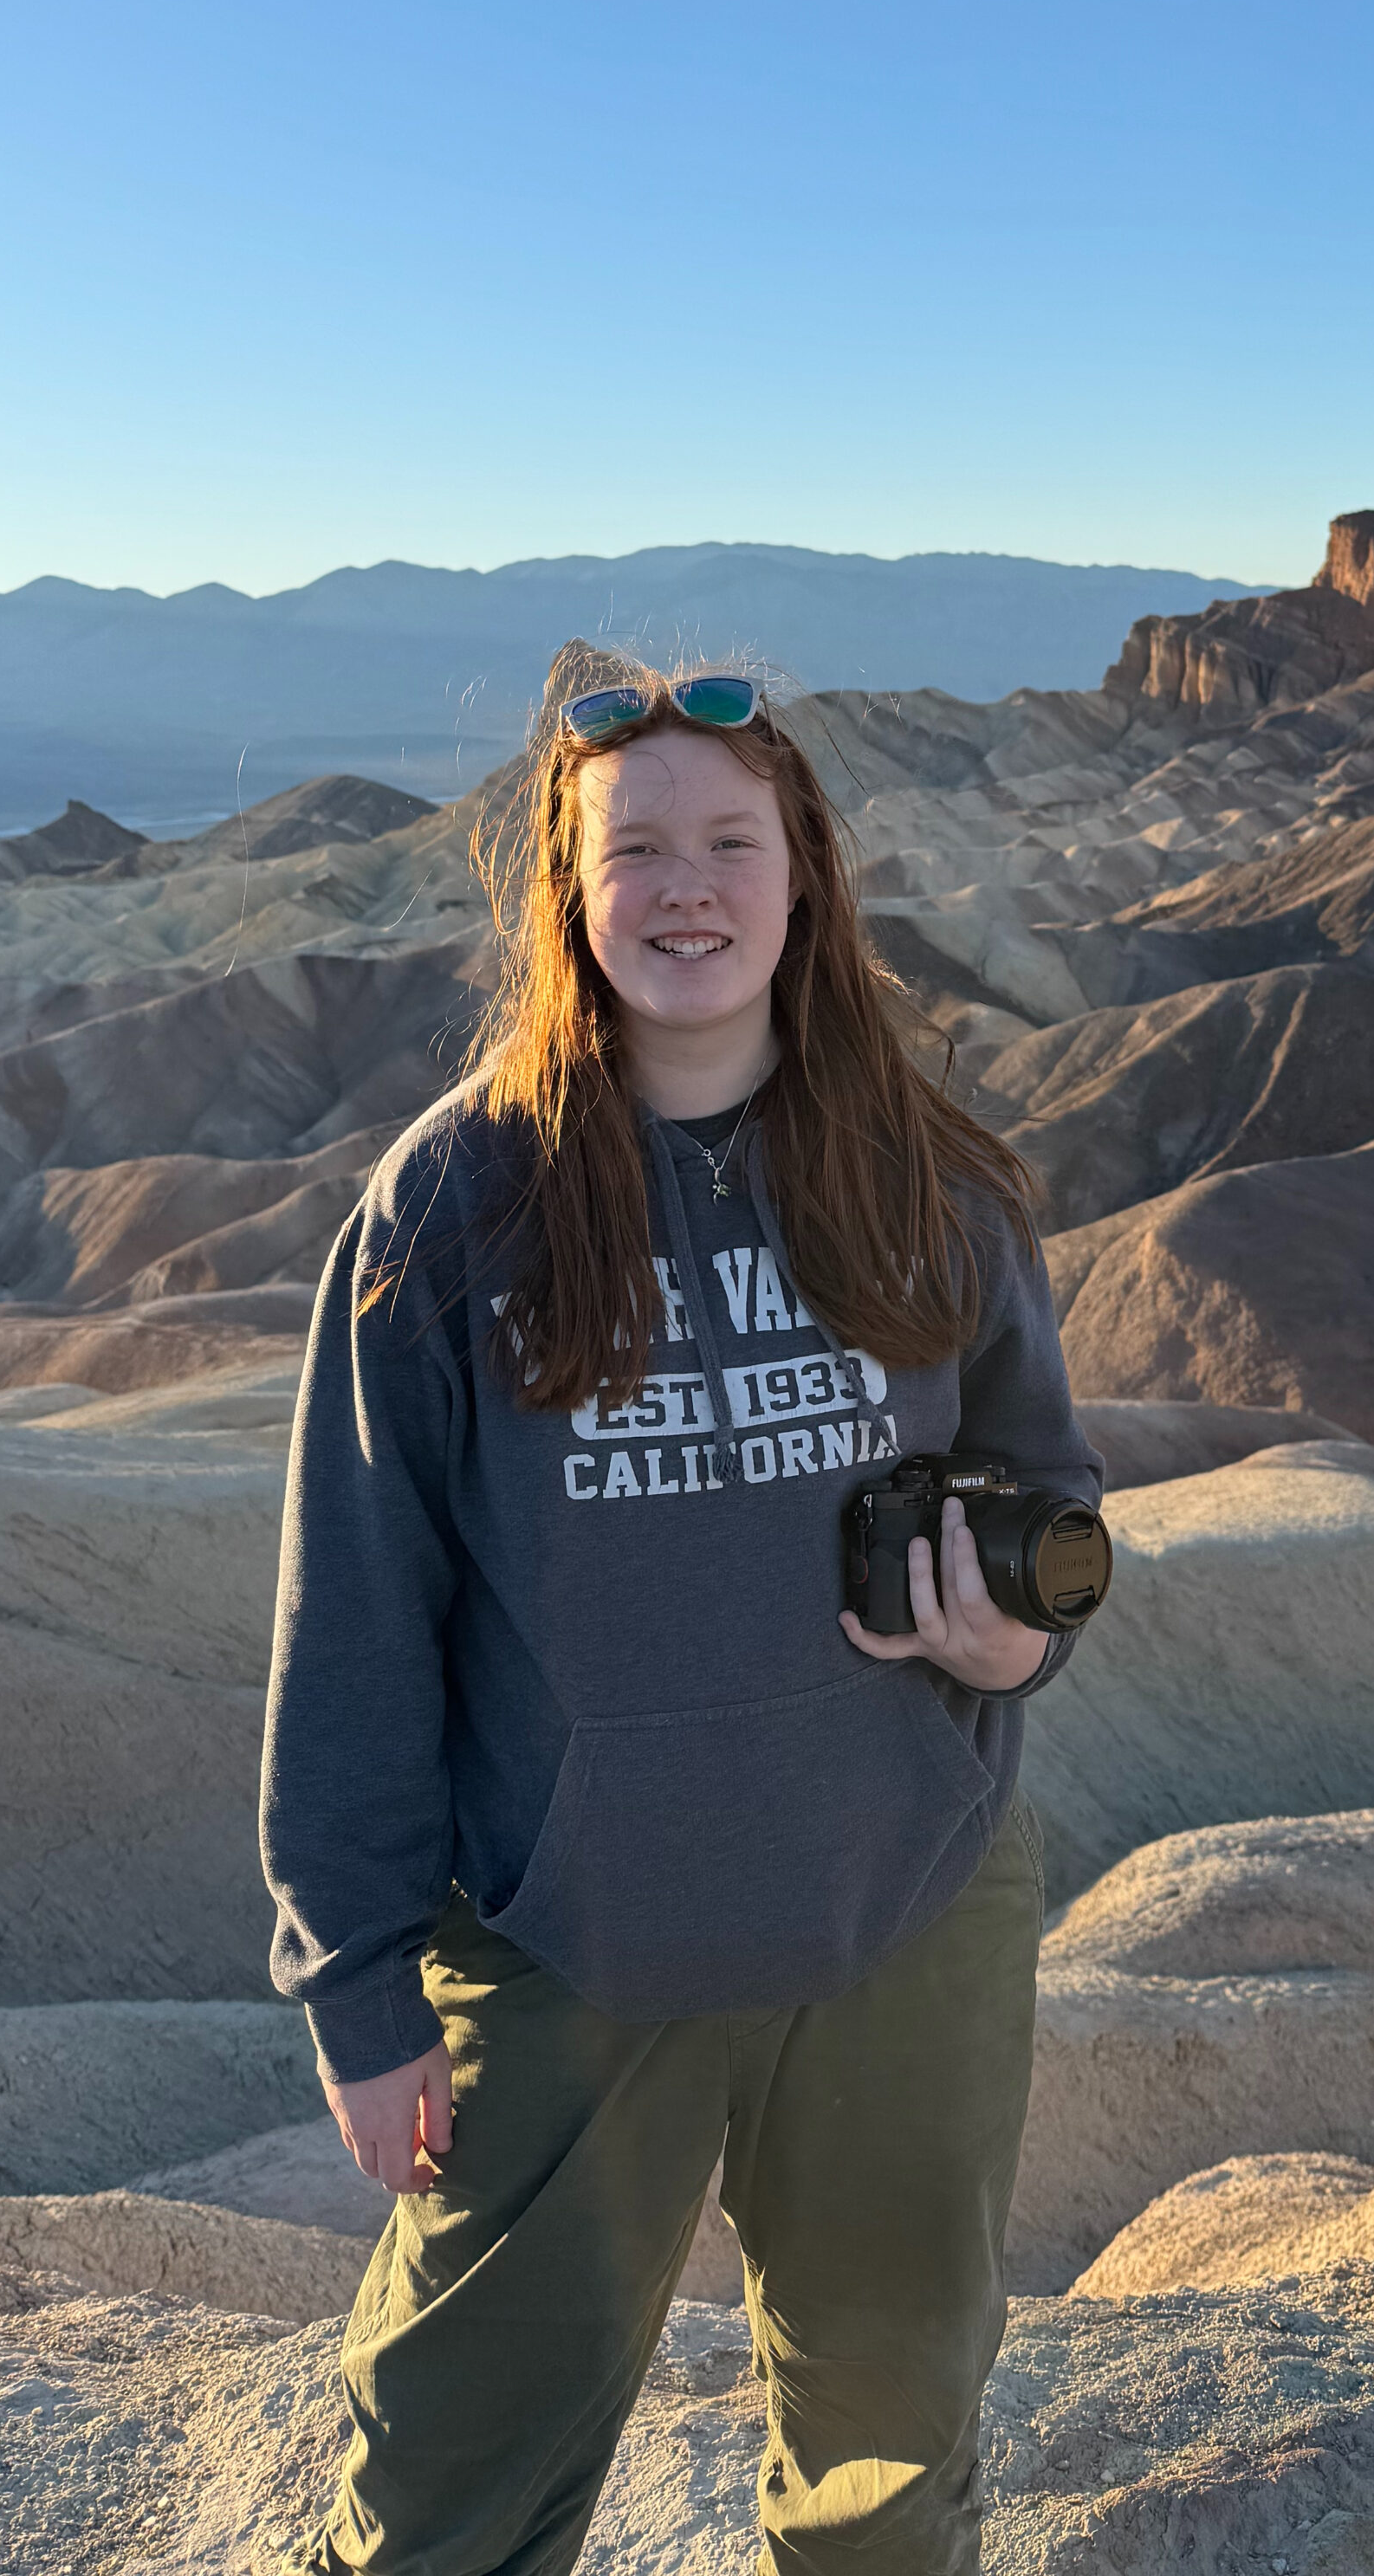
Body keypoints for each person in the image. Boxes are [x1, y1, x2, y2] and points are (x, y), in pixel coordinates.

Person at [261, 660, 1102, 2576]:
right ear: (567, 889)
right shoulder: (451, 1208)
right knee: (442, 2502)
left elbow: (1048, 1486)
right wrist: (361, 1982)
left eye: (733, 839)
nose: (687, 885)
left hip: (903, 1908)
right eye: (633, 846)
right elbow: (359, 1618)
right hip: (575, 1948)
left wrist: (1008, 1640)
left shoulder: (927, 1180)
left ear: (805, 879)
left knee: (892, 2472)